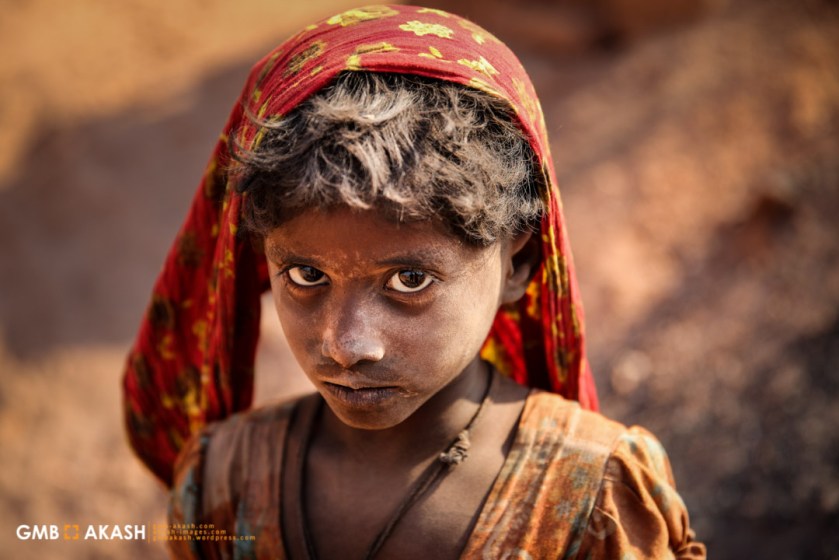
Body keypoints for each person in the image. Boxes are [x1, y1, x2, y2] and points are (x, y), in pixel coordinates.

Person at [122, 5, 706, 558]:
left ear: (518, 264)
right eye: (306, 275)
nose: (347, 345)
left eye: (408, 279)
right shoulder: (223, 481)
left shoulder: (594, 491)